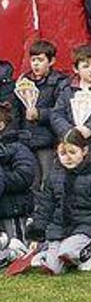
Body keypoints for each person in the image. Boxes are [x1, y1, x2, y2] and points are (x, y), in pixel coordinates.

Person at [28, 129, 91, 275]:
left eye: (72, 152)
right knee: (54, 269)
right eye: (63, 153)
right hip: (59, 228)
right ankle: (48, 254)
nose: (67, 157)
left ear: (84, 151)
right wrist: (37, 234)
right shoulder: (53, 177)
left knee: (68, 251)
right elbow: (45, 206)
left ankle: (85, 255)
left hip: (85, 228)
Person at [17, 40, 68, 187]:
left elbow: (61, 111)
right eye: (33, 60)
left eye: (40, 60)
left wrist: (39, 114)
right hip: (26, 139)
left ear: (51, 61)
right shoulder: (23, 82)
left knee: (47, 182)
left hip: (48, 141)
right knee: (31, 182)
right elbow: (17, 112)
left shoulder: (59, 83)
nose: (36, 64)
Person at [0, 102, 37, 242]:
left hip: (12, 209)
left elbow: (24, 176)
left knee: (15, 246)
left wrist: (2, 178)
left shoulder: (18, 147)